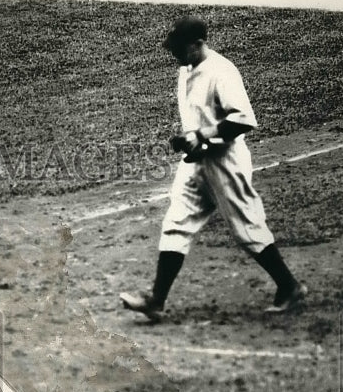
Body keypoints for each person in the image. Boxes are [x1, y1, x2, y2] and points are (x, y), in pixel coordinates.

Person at [120, 16, 307, 322]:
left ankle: (289, 286)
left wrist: (201, 135)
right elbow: (199, 118)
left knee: (247, 229)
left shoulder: (221, 71)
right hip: (196, 164)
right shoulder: (186, 68)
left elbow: (244, 118)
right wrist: (190, 139)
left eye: (180, 49)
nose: (175, 55)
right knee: (175, 224)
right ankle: (156, 299)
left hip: (225, 163)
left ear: (198, 44)